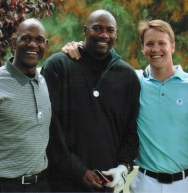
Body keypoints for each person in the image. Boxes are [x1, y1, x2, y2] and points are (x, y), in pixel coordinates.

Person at [63, 19, 188, 193]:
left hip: (187, 183)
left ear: (172, 46)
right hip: (146, 183)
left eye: (162, 43)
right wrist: (79, 47)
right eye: (150, 44)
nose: (155, 49)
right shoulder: (133, 81)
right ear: (143, 48)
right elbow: (101, 60)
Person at [41, 9, 140, 192]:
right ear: (84, 31)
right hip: (61, 183)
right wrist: (78, 170)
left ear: (116, 36)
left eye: (110, 30)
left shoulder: (128, 77)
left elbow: (130, 131)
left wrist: (123, 166)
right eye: (97, 28)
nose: (104, 34)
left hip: (105, 182)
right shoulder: (58, 66)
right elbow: (49, 127)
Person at [0, 18, 51, 192]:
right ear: (13, 42)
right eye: (25, 38)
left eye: (39, 40)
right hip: (3, 186)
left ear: (46, 45)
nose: (32, 44)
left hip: (41, 185)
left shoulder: (43, 82)